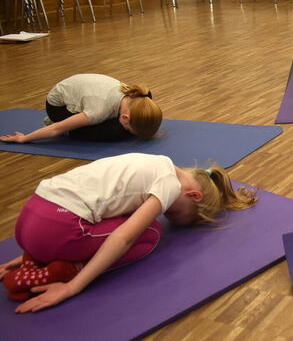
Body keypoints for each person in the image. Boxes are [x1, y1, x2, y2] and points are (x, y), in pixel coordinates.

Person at [0, 153, 258, 313]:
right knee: (150, 232)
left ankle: (33, 259)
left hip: (29, 218)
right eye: (175, 214)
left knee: (120, 214)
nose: (167, 214)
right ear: (194, 195)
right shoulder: (170, 185)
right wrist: (72, 287)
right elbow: (122, 237)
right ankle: (70, 267)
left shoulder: (158, 161)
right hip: (55, 230)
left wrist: (26, 253)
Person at [0, 73, 162, 143]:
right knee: (116, 132)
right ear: (125, 118)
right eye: (129, 128)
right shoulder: (99, 110)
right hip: (58, 107)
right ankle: (72, 126)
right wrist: (24, 138)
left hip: (84, 95)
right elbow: (56, 129)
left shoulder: (138, 96)